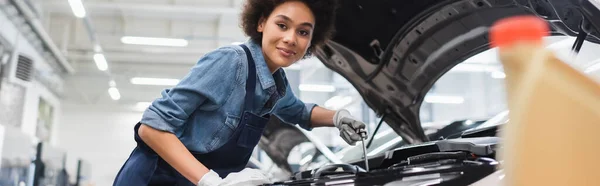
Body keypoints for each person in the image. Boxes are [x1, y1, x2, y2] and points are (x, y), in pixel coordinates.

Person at [112, 0, 368, 185]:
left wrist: (338, 117)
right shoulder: (230, 62)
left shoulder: (276, 82)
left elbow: (298, 111)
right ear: (261, 23)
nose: (291, 38)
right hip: (154, 178)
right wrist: (210, 181)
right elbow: (152, 128)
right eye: (282, 25)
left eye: (303, 32)